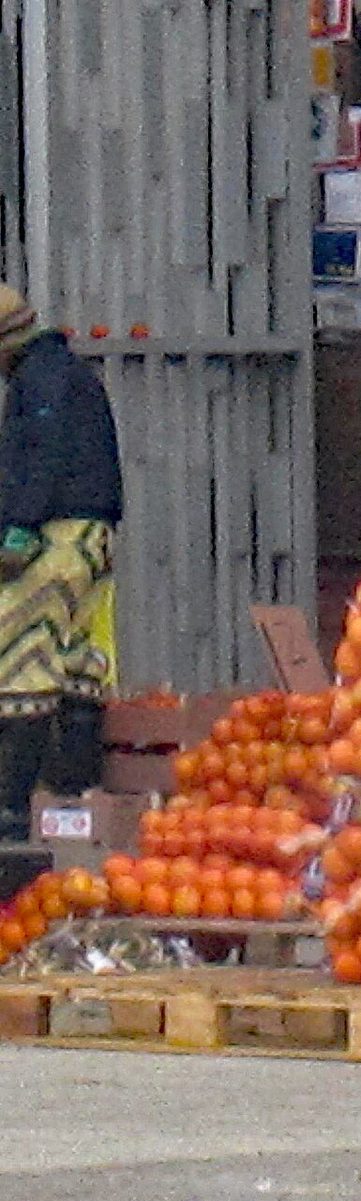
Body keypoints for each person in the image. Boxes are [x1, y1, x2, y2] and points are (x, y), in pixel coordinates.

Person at [0, 287, 124, 839]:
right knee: (76, 662)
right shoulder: (66, 371)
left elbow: (42, 460)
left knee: (19, 658)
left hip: (60, 538)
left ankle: (11, 812)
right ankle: (73, 801)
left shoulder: (40, 380)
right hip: (93, 539)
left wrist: (18, 529)